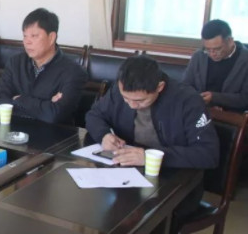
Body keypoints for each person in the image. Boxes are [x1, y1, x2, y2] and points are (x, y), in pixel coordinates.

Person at [86, 56, 219, 219]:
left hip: (174, 182)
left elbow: (209, 154)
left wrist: (149, 157)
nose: (132, 105)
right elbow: (94, 115)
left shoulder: (188, 101)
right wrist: (104, 135)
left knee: (142, 218)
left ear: (159, 87)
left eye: (140, 100)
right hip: (127, 175)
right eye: (126, 99)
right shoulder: (119, 90)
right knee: (99, 207)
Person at [0, 8, 87, 124]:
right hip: (15, 131)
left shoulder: (73, 72)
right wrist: (45, 105)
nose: (27, 42)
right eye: (25, 36)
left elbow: (55, 116)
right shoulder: (15, 63)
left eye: (34, 36)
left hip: (52, 134)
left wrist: (19, 99)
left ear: (51, 38)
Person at [182, 19, 248, 112]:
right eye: (208, 49)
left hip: (232, 116)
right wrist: (200, 100)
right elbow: (185, 86)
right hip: (199, 111)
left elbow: (245, 99)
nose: (212, 54)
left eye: (217, 49)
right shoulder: (199, 56)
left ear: (230, 41)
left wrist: (215, 98)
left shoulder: (244, 60)